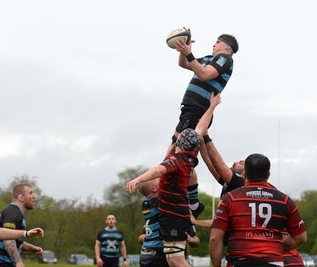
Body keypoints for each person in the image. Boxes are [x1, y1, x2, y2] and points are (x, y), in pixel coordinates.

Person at [126, 93, 220, 267]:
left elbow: (157, 171)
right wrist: (212, 106)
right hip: (178, 214)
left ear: (179, 145)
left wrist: (137, 179)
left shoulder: (175, 162)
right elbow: (200, 129)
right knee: (173, 260)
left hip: (173, 216)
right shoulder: (190, 158)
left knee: (176, 261)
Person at [167, 32, 239, 218]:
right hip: (189, 109)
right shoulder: (209, 58)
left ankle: (190, 200)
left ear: (227, 47)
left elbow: (206, 75)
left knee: (179, 155)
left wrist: (190, 54)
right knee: (175, 153)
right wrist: (184, 51)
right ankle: (192, 200)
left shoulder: (225, 59)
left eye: (218, 42)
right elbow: (184, 63)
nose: (214, 44)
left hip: (199, 110)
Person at [209, 153, 307, 267]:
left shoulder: (230, 198)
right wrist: (277, 249)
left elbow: (215, 239)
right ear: (268, 175)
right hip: (273, 262)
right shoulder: (284, 200)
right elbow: (301, 237)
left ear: (244, 174)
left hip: (239, 262)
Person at [137, 179, 199, 267]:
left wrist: (192, 240)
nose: (161, 180)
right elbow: (175, 193)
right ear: (153, 189)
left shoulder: (147, 203)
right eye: (157, 180)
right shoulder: (157, 202)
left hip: (146, 253)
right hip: (159, 253)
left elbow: (196, 240)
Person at [0, 183, 44, 267]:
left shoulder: (15, 212)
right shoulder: (13, 213)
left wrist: (32, 248)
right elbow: (8, 240)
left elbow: (14, 240)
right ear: (21, 197)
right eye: (30, 193)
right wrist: (18, 261)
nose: (34, 197)